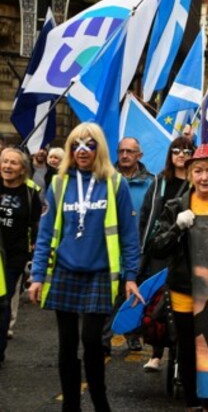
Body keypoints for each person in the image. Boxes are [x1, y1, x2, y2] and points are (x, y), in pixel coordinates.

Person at [28, 122, 143, 412]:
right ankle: (71, 405)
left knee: (92, 341)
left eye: (89, 144)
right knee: (66, 344)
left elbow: (130, 235)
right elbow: (45, 235)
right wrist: (37, 276)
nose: (82, 150)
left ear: (99, 148)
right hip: (64, 271)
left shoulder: (116, 183)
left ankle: (100, 401)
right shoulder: (58, 183)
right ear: (69, 148)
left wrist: (131, 277)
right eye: (76, 144)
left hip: (101, 273)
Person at [148, 143, 208, 411]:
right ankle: (192, 404)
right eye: (199, 170)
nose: (204, 177)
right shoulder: (175, 205)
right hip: (183, 289)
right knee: (188, 350)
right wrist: (176, 228)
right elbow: (157, 247)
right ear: (190, 173)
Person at [138, 136, 194, 372]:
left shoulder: (196, 183)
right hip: (161, 248)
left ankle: (181, 357)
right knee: (158, 305)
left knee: (182, 306)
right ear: (170, 155)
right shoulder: (160, 181)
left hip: (186, 252)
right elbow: (146, 214)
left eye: (187, 151)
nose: (181, 154)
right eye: (176, 150)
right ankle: (156, 354)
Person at [0, 148, 42, 365]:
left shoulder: (30, 193)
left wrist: (33, 253)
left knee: (3, 301)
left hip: (13, 256)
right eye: (4, 162)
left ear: (22, 169)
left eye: (13, 163)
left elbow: (35, 224)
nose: (7, 166)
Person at [115, 137, 154, 217]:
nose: (124, 155)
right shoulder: (105, 180)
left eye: (129, 151)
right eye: (121, 151)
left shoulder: (152, 182)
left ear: (139, 156)